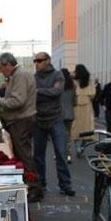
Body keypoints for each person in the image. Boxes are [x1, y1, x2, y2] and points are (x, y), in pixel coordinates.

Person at [0, 53, 43, 202]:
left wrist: (0, 101)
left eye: (1, 68)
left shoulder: (19, 75)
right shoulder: (18, 75)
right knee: (25, 154)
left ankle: (34, 188)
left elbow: (18, 101)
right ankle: (32, 186)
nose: (1, 72)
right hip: (21, 120)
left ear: (7, 65)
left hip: (21, 121)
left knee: (25, 156)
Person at [30, 52, 74, 195]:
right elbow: (32, 95)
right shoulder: (33, 77)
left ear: (48, 61)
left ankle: (65, 185)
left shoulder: (57, 75)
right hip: (38, 119)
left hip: (56, 119)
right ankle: (40, 183)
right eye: (35, 61)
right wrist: (44, 93)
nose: (36, 63)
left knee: (61, 153)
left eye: (39, 60)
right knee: (38, 155)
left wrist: (39, 92)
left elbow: (56, 92)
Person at [70, 63, 97, 159]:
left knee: (76, 128)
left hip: (76, 107)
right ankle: (81, 147)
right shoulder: (89, 82)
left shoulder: (73, 82)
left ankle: (78, 147)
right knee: (87, 128)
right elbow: (93, 95)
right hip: (87, 108)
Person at [60, 68, 76, 158]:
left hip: (59, 113)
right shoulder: (73, 85)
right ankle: (69, 153)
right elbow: (75, 101)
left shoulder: (58, 85)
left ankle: (60, 152)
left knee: (60, 134)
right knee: (68, 134)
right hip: (70, 113)